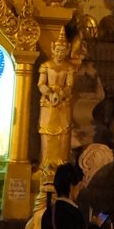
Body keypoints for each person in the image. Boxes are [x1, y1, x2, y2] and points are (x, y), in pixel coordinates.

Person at [40, 163, 103, 229]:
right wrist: (95, 227)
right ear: (71, 186)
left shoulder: (48, 213)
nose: (78, 190)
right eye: (78, 186)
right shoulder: (73, 214)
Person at [38, 30, 74, 166]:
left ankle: (61, 163)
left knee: (63, 133)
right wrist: (49, 93)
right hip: (48, 102)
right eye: (58, 50)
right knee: (46, 132)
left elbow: (70, 85)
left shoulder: (68, 67)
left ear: (67, 51)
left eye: (63, 51)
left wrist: (61, 94)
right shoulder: (45, 65)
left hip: (63, 103)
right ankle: (45, 162)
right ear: (53, 49)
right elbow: (41, 84)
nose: (60, 53)